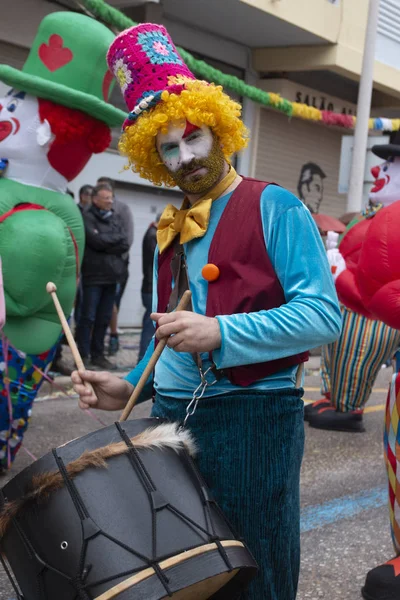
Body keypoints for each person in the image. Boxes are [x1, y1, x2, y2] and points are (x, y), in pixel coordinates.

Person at [72, 23, 341, 600]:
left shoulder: (275, 205)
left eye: (193, 138)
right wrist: (129, 386)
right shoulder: (169, 227)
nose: (185, 156)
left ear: (218, 127)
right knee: (185, 572)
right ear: (152, 156)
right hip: (171, 418)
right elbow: (171, 334)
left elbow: (323, 316)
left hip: (253, 421)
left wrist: (221, 330)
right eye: (168, 147)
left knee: (255, 571)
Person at [75, 183, 129, 370]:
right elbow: (94, 241)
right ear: (96, 199)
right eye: (106, 198)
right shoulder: (87, 217)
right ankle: (82, 356)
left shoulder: (114, 217)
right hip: (92, 277)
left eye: (111, 198)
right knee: (87, 317)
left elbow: (124, 242)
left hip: (111, 276)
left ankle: (98, 355)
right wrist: (108, 242)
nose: (110, 201)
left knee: (104, 318)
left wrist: (104, 242)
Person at [97, 176, 134, 354]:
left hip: (117, 267)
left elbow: (127, 240)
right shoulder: (92, 212)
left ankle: (113, 337)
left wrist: (109, 252)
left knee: (112, 304)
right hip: (96, 268)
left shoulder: (122, 209)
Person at [138, 216, 160, 362]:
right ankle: (143, 360)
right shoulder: (153, 235)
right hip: (151, 287)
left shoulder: (153, 233)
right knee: (150, 325)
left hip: (150, 286)